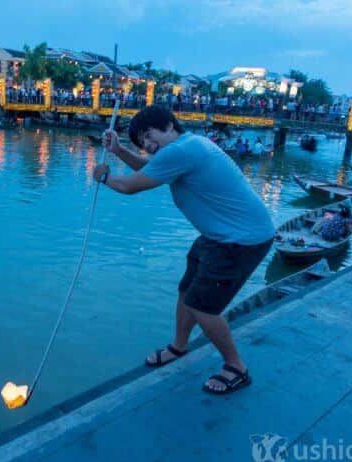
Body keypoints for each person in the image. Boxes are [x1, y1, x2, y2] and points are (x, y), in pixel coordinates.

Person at [94, 105, 275, 395]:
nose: (148, 146)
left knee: (202, 305)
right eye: (141, 143)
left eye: (149, 136)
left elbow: (132, 186)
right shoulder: (185, 146)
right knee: (187, 289)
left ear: (168, 126)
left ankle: (236, 368)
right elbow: (151, 169)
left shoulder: (182, 150)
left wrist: (105, 178)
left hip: (241, 239)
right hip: (219, 235)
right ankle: (179, 347)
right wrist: (118, 151)